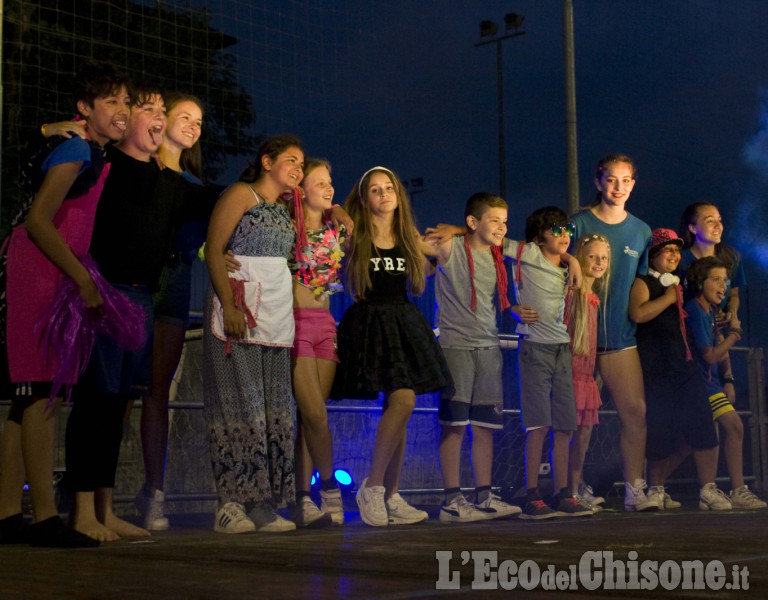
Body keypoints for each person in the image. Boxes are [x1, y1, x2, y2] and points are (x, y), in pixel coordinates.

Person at [0, 62, 131, 548]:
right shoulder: (76, 147)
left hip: (53, 269)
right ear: (85, 109)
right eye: (111, 101)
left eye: (126, 101)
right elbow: (38, 220)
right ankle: (45, 519)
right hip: (40, 271)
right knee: (42, 393)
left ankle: (8, 512)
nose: (122, 110)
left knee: (25, 400)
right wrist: (81, 278)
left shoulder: (92, 152)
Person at [65, 83, 200, 542]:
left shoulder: (168, 181)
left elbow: (222, 199)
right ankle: (81, 508)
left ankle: (105, 507)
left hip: (142, 298)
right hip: (104, 292)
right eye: (148, 108)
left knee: (119, 401)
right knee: (96, 402)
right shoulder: (101, 165)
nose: (157, 116)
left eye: (162, 109)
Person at [333, 166, 452, 527]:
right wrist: (340, 212)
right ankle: (373, 487)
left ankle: (389, 493)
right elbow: (331, 211)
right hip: (370, 322)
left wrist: (454, 231)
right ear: (365, 198)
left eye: (389, 188)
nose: (384, 194)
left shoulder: (408, 236)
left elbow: (443, 250)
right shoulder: (356, 232)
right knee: (403, 401)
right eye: (375, 190)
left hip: (402, 321)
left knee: (400, 404)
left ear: (399, 196)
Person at [203, 135, 303, 534]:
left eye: (302, 163)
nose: (298, 168)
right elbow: (214, 248)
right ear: (267, 161)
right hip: (239, 313)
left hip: (275, 320)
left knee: (273, 409)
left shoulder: (284, 210)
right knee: (239, 407)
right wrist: (228, 305)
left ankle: (262, 503)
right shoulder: (240, 195)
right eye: (291, 160)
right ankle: (229, 503)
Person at [135, 92, 208, 531]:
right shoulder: (138, 166)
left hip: (176, 287)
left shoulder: (196, 187)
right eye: (185, 116)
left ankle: (153, 494)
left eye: (198, 121)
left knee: (158, 391)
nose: (193, 125)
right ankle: (95, 493)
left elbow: (205, 244)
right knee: (120, 388)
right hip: (136, 282)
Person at [570, 154, 658, 512]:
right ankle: (571, 489)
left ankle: (635, 490)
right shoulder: (575, 223)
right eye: (610, 179)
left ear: (633, 184)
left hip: (620, 340)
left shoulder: (642, 231)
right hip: (578, 338)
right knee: (577, 419)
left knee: (635, 413)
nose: (618, 187)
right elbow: (539, 245)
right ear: (597, 181)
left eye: (625, 180)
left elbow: (639, 283)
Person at [429, 192, 521, 523]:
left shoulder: (500, 254)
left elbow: (538, 251)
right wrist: (454, 231)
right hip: (456, 346)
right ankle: (452, 500)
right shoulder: (450, 246)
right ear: (473, 222)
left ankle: (484, 495)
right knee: (454, 424)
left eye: (505, 220)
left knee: (485, 425)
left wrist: (577, 263)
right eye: (494, 220)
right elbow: (413, 241)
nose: (502, 227)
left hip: (489, 347)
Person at [628, 228, 729, 510]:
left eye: (676, 251)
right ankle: (657, 489)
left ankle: (708, 489)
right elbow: (637, 313)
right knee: (661, 429)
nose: (673, 256)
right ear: (654, 255)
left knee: (702, 421)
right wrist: (670, 299)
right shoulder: (645, 283)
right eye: (667, 251)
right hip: (656, 367)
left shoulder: (678, 285)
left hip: (683, 365)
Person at [509, 207, 590, 519]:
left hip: (561, 348)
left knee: (565, 425)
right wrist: (512, 305)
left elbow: (572, 265)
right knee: (539, 424)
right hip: (534, 348)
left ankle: (562, 493)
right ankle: (532, 494)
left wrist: (574, 262)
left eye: (567, 229)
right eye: (556, 230)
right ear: (539, 236)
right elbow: (489, 240)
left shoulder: (566, 264)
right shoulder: (528, 253)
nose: (565, 235)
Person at [287, 158, 346, 527]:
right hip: (293, 323)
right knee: (313, 413)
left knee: (312, 419)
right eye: (320, 183)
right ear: (301, 190)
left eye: (330, 182)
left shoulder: (336, 228)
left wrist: (339, 209)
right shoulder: (286, 226)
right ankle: (328, 488)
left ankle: (302, 499)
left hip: (326, 323)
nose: (328, 189)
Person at [684, 257, 766, 509]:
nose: (723, 286)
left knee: (718, 432)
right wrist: (735, 334)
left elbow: (717, 347)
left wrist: (728, 379)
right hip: (700, 384)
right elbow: (710, 354)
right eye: (716, 279)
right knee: (733, 426)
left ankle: (715, 490)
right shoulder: (696, 310)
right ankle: (731, 490)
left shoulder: (709, 309)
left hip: (710, 383)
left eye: (726, 280)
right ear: (700, 282)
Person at [566, 233, 611, 512]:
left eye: (604, 258)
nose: (598, 262)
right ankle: (568, 489)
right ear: (580, 256)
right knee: (568, 432)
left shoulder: (594, 297)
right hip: (569, 372)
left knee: (584, 433)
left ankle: (577, 485)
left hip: (585, 375)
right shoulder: (573, 293)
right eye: (592, 256)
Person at [678, 202, 745, 320]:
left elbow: (733, 295)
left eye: (719, 220)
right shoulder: (679, 260)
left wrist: (730, 313)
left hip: (719, 333)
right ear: (693, 228)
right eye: (710, 221)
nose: (718, 226)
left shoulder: (731, 257)